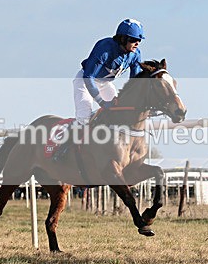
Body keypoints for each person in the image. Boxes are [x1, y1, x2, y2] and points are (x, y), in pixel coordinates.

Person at [53, 19, 145, 161]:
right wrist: (101, 101)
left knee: (119, 113)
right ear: (123, 38)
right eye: (133, 40)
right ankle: (62, 148)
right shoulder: (104, 48)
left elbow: (134, 82)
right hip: (85, 81)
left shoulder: (135, 54)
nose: (137, 43)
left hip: (105, 83)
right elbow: (88, 76)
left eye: (139, 40)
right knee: (84, 117)